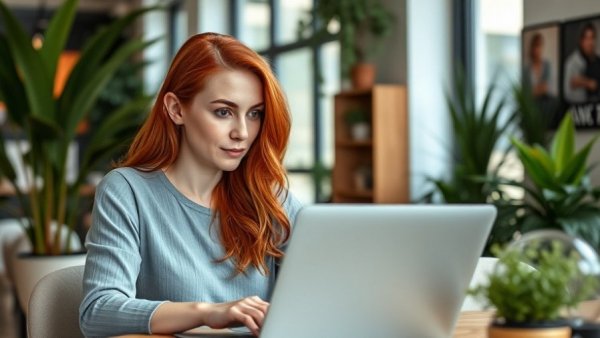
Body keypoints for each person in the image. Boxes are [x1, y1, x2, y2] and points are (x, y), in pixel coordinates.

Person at [79, 32, 302, 337]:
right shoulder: (127, 191)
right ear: (176, 109)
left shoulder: (270, 196)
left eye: (254, 114)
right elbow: (98, 311)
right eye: (223, 112)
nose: (242, 132)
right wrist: (209, 312)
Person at [564, 23, 600, 103]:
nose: (590, 43)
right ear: (581, 41)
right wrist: (587, 83)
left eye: (592, 38)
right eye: (587, 38)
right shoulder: (572, 62)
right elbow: (567, 92)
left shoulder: (598, 61)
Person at [523, 33, 552, 98]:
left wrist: (534, 90)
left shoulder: (547, 65)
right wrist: (539, 89)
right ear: (532, 48)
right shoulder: (526, 69)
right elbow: (526, 92)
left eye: (539, 46)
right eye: (535, 46)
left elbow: (546, 88)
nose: (537, 49)